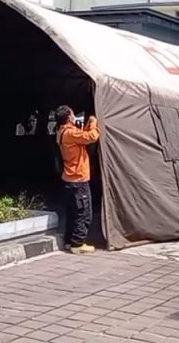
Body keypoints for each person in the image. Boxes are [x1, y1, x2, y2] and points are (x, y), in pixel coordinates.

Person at [54, 105, 100, 254]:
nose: (75, 117)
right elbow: (92, 136)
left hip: (69, 179)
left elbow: (83, 136)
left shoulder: (62, 132)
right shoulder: (70, 133)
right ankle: (78, 244)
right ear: (68, 117)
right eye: (73, 115)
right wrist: (93, 122)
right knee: (84, 213)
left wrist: (86, 126)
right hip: (78, 179)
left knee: (73, 212)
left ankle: (69, 241)